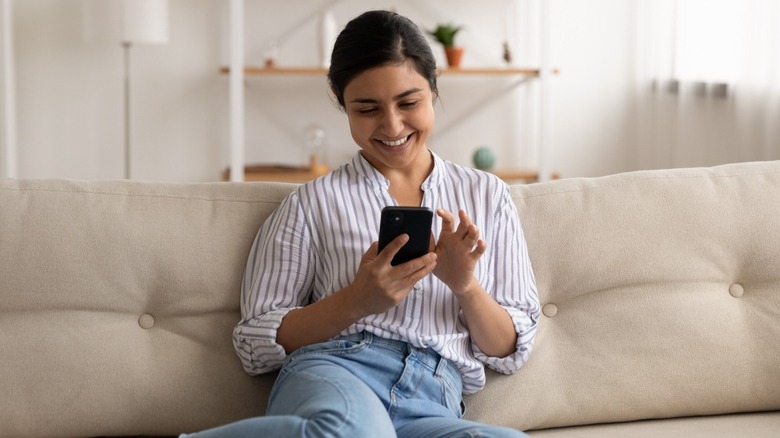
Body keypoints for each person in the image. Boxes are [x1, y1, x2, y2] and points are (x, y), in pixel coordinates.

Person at [184, 9, 539, 438]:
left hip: (433, 396)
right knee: (355, 431)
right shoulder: (311, 203)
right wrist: (357, 300)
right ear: (342, 103)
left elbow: (509, 350)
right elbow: (254, 343)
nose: (392, 126)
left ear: (434, 90)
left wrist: (465, 285)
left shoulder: (488, 196)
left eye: (409, 103)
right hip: (337, 370)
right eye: (367, 109)